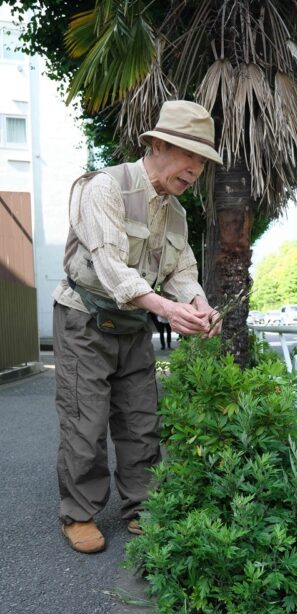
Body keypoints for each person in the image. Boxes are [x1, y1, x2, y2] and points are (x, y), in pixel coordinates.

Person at [52, 100, 222, 554]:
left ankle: (142, 507)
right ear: (159, 144)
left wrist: (199, 305)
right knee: (84, 421)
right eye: (191, 156)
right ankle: (80, 513)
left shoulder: (177, 212)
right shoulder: (104, 187)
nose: (196, 170)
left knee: (141, 419)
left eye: (202, 162)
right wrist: (168, 310)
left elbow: (181, 270)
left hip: (131, 324)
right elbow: (110, 267)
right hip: (84, 316)